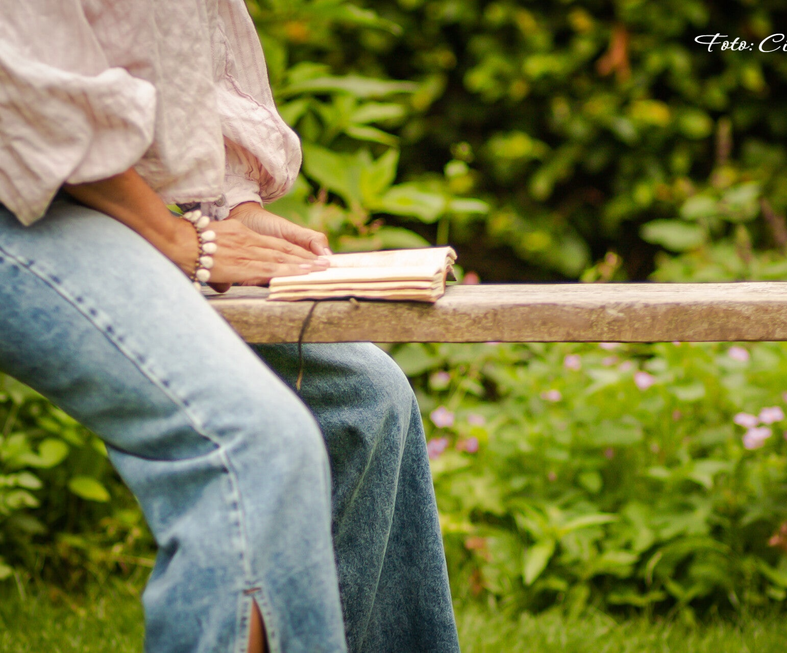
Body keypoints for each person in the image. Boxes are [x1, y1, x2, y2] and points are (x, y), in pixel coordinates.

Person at [0, 1, 461, 652]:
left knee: (365, 399)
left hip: (81, 195)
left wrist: (229, 205)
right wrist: (173, 236)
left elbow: (187, 43)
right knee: (250, 446)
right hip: (16, 191)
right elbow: (20, 87)